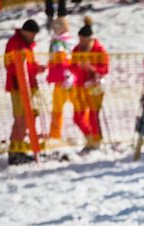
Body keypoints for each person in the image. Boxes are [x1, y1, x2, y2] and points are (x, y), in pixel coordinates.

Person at [5, 19, 45, 166]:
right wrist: (32, 70)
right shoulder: (15, 43)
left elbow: (28, 64)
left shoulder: (27, 45)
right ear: (25, 31)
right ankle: (15, 152)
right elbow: (13, 67)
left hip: (30, 86)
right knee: (21, 119)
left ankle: (20, 148)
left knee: (30, 118)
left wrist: (37, 68)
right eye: (32, 34)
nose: (33, 37)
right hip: (18, 87)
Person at [70, 17, 109, 152]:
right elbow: (72, 67)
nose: (81, 42)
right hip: (80, 87)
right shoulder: (77, 50)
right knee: (78, 116)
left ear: (89, 39)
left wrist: (92, 68)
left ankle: (96, 141)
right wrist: (78, 67)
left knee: (93, 115)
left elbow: (105, 69)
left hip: (95, 87)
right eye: (79, 39)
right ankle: (90, 138)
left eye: (83, 40)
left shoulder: (99, 50)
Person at [46, 17, 76, 143]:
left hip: (61, 80)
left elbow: (61, 59)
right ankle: (90, 131)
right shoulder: (72, 41)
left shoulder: (57, 43)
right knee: (79, 107)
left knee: (57, 109)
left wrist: (65, 74)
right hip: (74, 79)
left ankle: (55, 134)